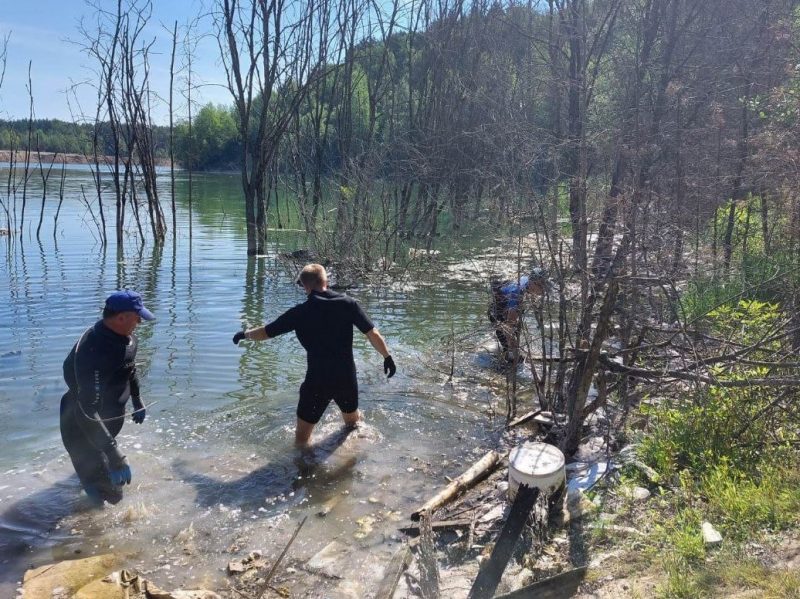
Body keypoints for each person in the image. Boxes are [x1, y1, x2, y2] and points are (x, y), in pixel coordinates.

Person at [232, 263, 396, 447]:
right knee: (352, 424)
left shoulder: (299, 312)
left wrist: (244, 335)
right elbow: (371, 333)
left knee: (301, 441)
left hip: (317, 381)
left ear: (305, 286)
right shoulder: (348, 304)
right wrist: (387, 357)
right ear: (326, 280)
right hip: (346, 378)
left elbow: (266, 332)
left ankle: (305, 469)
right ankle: (354, 457)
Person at [60, 290, 154, 506]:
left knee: (107, 481)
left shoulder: (127, 338)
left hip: (106, 422)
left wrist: (137, 399)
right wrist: (115, 454)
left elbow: (129, 369)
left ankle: (93, 475)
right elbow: (87, 410)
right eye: (136, 316)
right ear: (121, 318)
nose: (140, 321)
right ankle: (89, 527)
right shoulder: (92, 353)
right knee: (111, 498)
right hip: (80, 426)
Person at [487, 268, 548, 364]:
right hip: (497, 313)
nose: (544, 289)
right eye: (541, 285)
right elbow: (508, 327)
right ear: (532, 282)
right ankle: (504, 369)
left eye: (545, 284)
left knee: (515, 335)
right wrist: (516, 351)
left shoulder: (527, 282)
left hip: (508, 307)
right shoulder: (516, 293)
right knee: (510, 351)